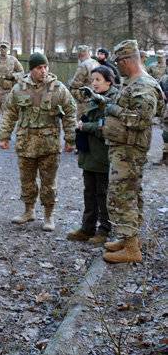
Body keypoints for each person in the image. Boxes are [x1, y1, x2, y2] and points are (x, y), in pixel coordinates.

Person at [101, 40, 164, 264]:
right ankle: (129, 239)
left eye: (118, 62)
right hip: (123, 148)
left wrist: (114, 109)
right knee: (129, 192)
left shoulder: (144, 86)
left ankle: (131, 249)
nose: (116, 66)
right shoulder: (132, 82)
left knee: (122, 194)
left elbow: (141, 119)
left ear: (127, 61)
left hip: (130, 150)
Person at [0, 53, 77, 231]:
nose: (43, 71)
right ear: (31, 70)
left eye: (45, 67)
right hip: (26, 144)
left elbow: (70, 112)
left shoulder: (58, 88)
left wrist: (70, 139)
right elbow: (9, 112)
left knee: (49, 182)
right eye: (39, 68)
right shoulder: (19, 89)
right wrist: (3, 136)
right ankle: (29, 211)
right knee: (27, 180)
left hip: (49, 145)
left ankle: (49, 215)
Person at [66, 67, 119, 245]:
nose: (94, 83)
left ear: (109, 81)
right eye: (92, 80)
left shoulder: (113, 99)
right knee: (89, 192)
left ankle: (104, 230)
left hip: (103, 155)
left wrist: (84, 126)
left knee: (103, 194)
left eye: (98, 80)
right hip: (90, 155)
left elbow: (106, 128)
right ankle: (87, 228)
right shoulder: (93, 99)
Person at [0, 41, 24, 137]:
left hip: (7, 90)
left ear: (8, 49)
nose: (3, 49)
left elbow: (21, 72)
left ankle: (6, 132)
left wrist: (13, 76)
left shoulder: (13, 60)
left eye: (5, 48)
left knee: (6, 111)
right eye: (1, 48)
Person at [69, 45, 100, 119]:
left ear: (79, 55)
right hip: (95, 96)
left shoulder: (83, 65)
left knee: (80, 121)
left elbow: (75, 84)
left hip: (85, 98)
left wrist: (70, 84)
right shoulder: (96, 63)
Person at [156, 72, 168, 165]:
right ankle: (165, 157)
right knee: (165, 134)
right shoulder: (164, 78)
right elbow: (159, 90)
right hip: (166, 106)